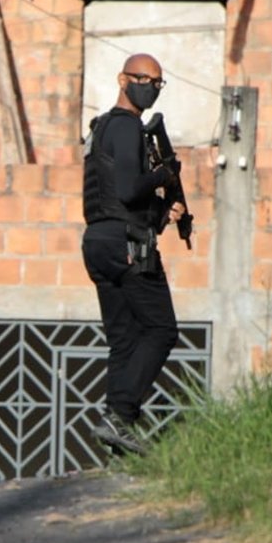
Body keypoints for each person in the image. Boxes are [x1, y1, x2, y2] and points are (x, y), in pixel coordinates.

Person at [80, 53, 186, 456]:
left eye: (158, 83)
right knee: (161, 330)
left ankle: (116, 438)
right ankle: (120, 415)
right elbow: (128, 189)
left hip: (100, 242)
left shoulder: (102, 128)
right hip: (127, 244)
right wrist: (166, 173)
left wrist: (163, 212)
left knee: (124, 340)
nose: (151, 87)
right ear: (122, 79)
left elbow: (115, 196)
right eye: (144, 79)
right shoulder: (125, 128)